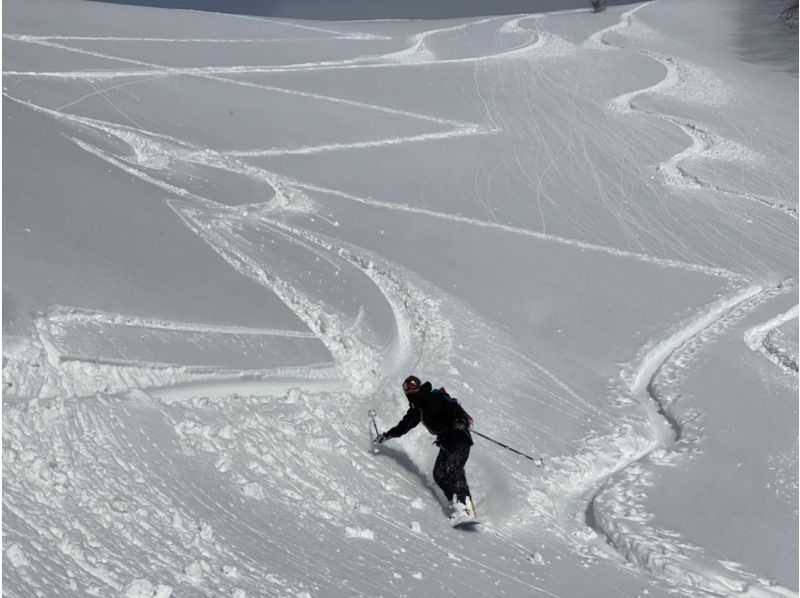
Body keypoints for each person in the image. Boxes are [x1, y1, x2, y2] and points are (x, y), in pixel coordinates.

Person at [374, 375, 475, 522]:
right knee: (439, 474)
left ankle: (465, 506)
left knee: (453, 469)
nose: (410, 388)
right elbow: (403, 426)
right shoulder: (417, 409)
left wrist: (459, 420)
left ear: (419, 385)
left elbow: (453, 408)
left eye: (413, 384)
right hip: (447, 442)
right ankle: (457, 505)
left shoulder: (432, 397)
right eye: (406, 387)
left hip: (459, 438)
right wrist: (386, 436)